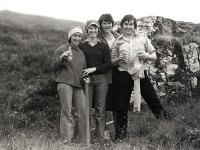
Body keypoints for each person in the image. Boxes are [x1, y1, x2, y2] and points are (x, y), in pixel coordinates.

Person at [111, 14, 172, 140]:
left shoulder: (142, 38)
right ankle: (120, 137)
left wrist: (147, 56)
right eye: (126, 24)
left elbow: (154, 55)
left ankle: (170, 126)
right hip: (123, 73)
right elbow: (112, 61)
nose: (128, 26)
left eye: (131, 24)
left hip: (141, 73)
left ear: (134, 26)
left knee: (153, 100)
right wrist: (118, 59)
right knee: (122, 106)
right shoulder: (117, 42)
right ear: (122, 26)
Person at [51, 25, 87, 145]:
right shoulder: (61, 49)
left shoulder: (81, 53)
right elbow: (53, 68)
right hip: (64, 83)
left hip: (78, 85)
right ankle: (67, 142)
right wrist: (62, 58)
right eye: (75, 35)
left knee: (82, 111)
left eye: (79, 36)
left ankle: (79, 141)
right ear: (70, 36)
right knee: (67, 111)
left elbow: (83, 70)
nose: (77, 38)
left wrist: (85, 77)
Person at [78, 20, 112, 141]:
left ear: (98, 30)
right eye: (90, 28)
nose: (93, 30)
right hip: (86, 80)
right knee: (86, 109)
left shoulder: (103, 46)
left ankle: (99, 139)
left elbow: (108, 64)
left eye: (95, 28)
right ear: (87, 30)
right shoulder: (81, 45)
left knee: (100, 109)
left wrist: (94, 69)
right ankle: (86, 139)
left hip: (101, 80)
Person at [97, 13, 120, 139]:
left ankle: (118, 132)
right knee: (103, 105)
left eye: (109, 23)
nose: (107, 25)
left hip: (118, 74)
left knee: (117, 104)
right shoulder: (98, 38)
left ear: (112, 24)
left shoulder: (118, 36)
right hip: (104, 74)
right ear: (100, 24)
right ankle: (104, 134)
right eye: (104, 23)